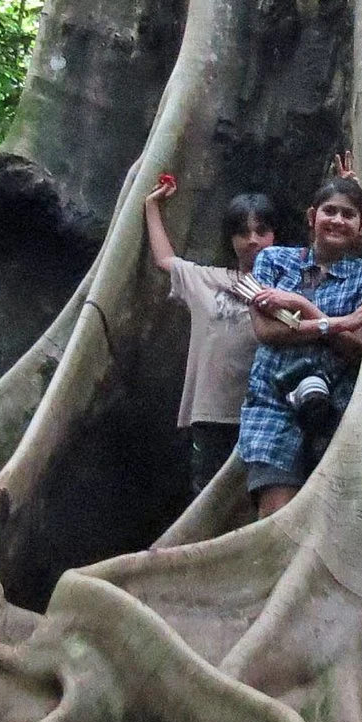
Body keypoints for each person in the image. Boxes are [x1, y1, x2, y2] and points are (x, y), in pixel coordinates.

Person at [239, 172, 362, 517]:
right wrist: (341, 323)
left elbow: (357, 349)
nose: (337, 220)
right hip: (273, 404)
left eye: (348, 214)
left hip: (334, 410)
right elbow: (266, 332)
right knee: (276, 517)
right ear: (312, 217)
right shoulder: (273, 261)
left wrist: (302, 306)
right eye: (330, 211)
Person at [144, 173, 278, 491]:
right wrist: (151, 206)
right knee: (206, 491)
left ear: (274, 234)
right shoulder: (208, 279)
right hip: (212, 413)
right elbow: (165, 260)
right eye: (243, 233)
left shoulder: (286, 283)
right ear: (230, 239)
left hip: (267, 411)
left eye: (261, 231)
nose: (253, 241)